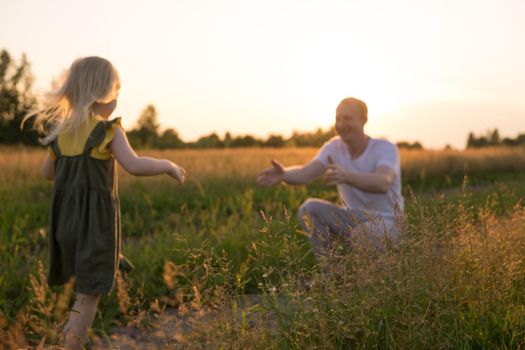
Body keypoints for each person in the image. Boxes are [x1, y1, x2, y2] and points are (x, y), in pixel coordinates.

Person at [24, 56, 186, 349]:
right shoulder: (108, 131)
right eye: (116, 92)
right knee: (88, 297)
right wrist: (168, 165)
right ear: (103, 93)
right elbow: (134, 165)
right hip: (95, 225)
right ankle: (70, 342)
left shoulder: (62, 134)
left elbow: (47, 173)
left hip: (65, 224)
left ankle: (72, 325)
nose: (117, 100)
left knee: (81, 287)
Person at [257, 97, 403, 258]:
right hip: (351, 218)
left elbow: (383, 182)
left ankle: (371, 276)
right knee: (309, 208)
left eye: (347, 119)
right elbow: (306, 172)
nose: (340, 125)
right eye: (337, 119)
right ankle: (331, 274)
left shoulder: (385, 148)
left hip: (387, 221)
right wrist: (284, 174)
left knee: (362, 236)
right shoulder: (333, 147)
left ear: (364, 120)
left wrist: (346, 176)